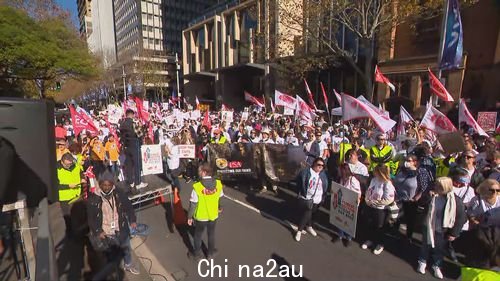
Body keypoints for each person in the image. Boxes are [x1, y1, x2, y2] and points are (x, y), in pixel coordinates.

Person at [87, 171, 139, 275]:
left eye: (109, 185)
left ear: (113, 185)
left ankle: (128, 265)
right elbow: (91, 218)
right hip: (106, 233)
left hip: (121, 228)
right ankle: (112, 271)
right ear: (100, 184)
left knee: (126, 249)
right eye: (104, 185)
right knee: (110, 256)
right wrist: (98, 231)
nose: (106, 187)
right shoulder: (93, 199)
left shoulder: (119, 193)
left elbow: (128, 207)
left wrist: (132, 220)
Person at [417, 177, 466, 279]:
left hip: (442, 229)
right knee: (425, 245)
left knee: (439, 249)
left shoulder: (455, 201)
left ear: (445, 187)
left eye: (438, 186)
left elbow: (461, 218)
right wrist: (427, 197)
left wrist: (454, 233)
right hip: (429, 226)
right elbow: (421, 203)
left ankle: (437, 265)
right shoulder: (432, 195)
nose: (435, 187)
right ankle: (422, 261)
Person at [187, 163, 223, 260]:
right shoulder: (218, 184)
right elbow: (220, 197)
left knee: (198, 235)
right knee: (211, 234)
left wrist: (189, 217)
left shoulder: (197, 187)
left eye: (199, 171)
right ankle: (210, 254)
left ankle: (197, 255)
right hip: (213, 214)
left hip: (201, 216)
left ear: (204, 172)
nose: (198, 173)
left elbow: (193, 204)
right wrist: (219, 207)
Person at [362, 164, 395, 255]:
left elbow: (389, 199)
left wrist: (378, 202)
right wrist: (367, 200)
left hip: (381, 209)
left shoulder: (387, 184)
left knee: (380, 226)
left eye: (376, 171)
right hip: (370, 206)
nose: (374, 172)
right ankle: (370, 239)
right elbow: (369, 190)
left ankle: (380, 244)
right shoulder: (373, 180)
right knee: (370, 223)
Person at [294, 157, 329, 242]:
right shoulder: (306, 172)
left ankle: (309, 226)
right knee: (307, 212)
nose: (320, 167)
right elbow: (299, 182)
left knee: (311, 213)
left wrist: (323, 196)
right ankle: (299, 230)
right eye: (319, 165)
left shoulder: (323, 174)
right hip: (308, 197)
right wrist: (300, 192)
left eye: (322, 166)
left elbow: (325, 185)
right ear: (314, 164)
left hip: (318, 199)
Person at [57, 153, 86, 237]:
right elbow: (55, 185)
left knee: (79, 215)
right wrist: (68, 186)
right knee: (68, 217)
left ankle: (81, 233)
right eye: (67, 164)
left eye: (70, 164)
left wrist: (82, 178)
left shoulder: (76, 166)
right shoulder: (56, 169)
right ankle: (70, 234)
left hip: (77, 195)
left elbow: (80, 173)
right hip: (64, 198)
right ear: (62, 162)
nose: (69, 166)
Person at [119, 109, 148, 190]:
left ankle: (131, 182)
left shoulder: (122, 124)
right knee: (137, 164)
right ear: (131, 115)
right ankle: (138, 183)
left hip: (126, 146)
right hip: (134, 145)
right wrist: (140, 126)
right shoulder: (133, 123)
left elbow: (121, 136)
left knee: (129, 164)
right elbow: (140, 134)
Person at [393, 154, 419, 242]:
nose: (406, 162)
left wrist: (416, 198)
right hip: (399, 199)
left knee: (410, 219)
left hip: (410, 201)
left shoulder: (419, 174)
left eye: (409, 161)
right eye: (406, 160)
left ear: (415, 162)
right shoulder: (401, 170)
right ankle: (394, 233)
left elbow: (422, 188)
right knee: (396, 217)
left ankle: (409, 236)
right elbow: (395, 181)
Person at [338, 163, 361, 246]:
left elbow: (358, 193)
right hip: (343, 202)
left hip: (350, 204)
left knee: (349, 221)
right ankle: (340, 235)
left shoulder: (353, 180)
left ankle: (349, 238)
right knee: (341, 218)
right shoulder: (342, 179)